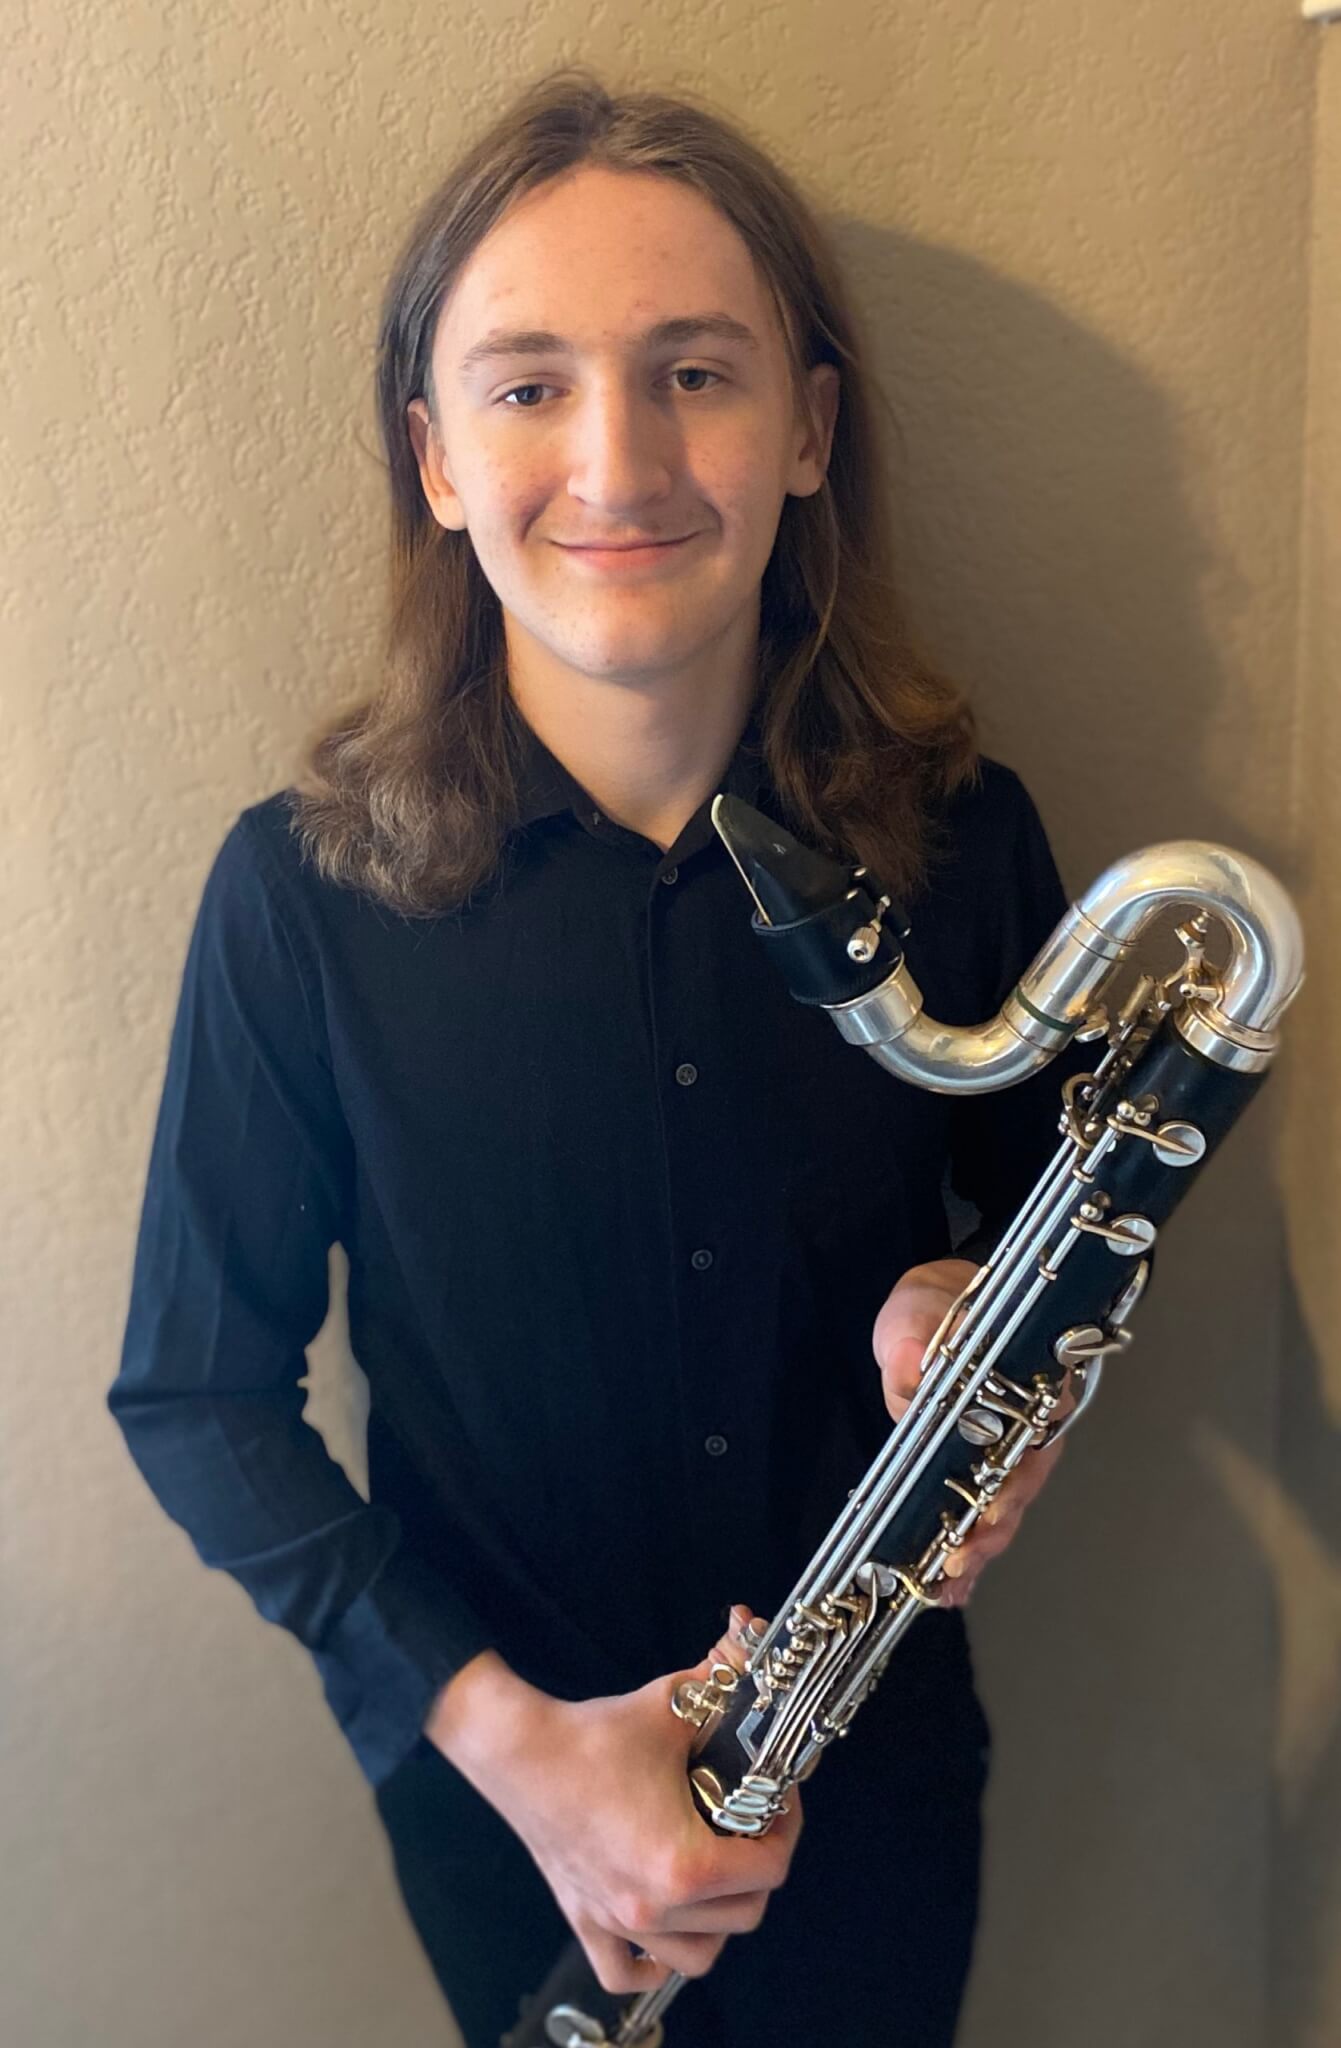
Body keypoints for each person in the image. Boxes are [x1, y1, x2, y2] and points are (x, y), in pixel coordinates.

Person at [109, 67, 1082, 2048]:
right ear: (434, 457)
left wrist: (970, 1313)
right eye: (528, 384)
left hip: (872, 1781)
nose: (617, 460)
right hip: (505, 1802)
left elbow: (1041, 1226)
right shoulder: (299, 898)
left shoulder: (966, 847)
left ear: (807, 431)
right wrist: (507, 1741)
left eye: (694, 373)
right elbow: (197, 1395)